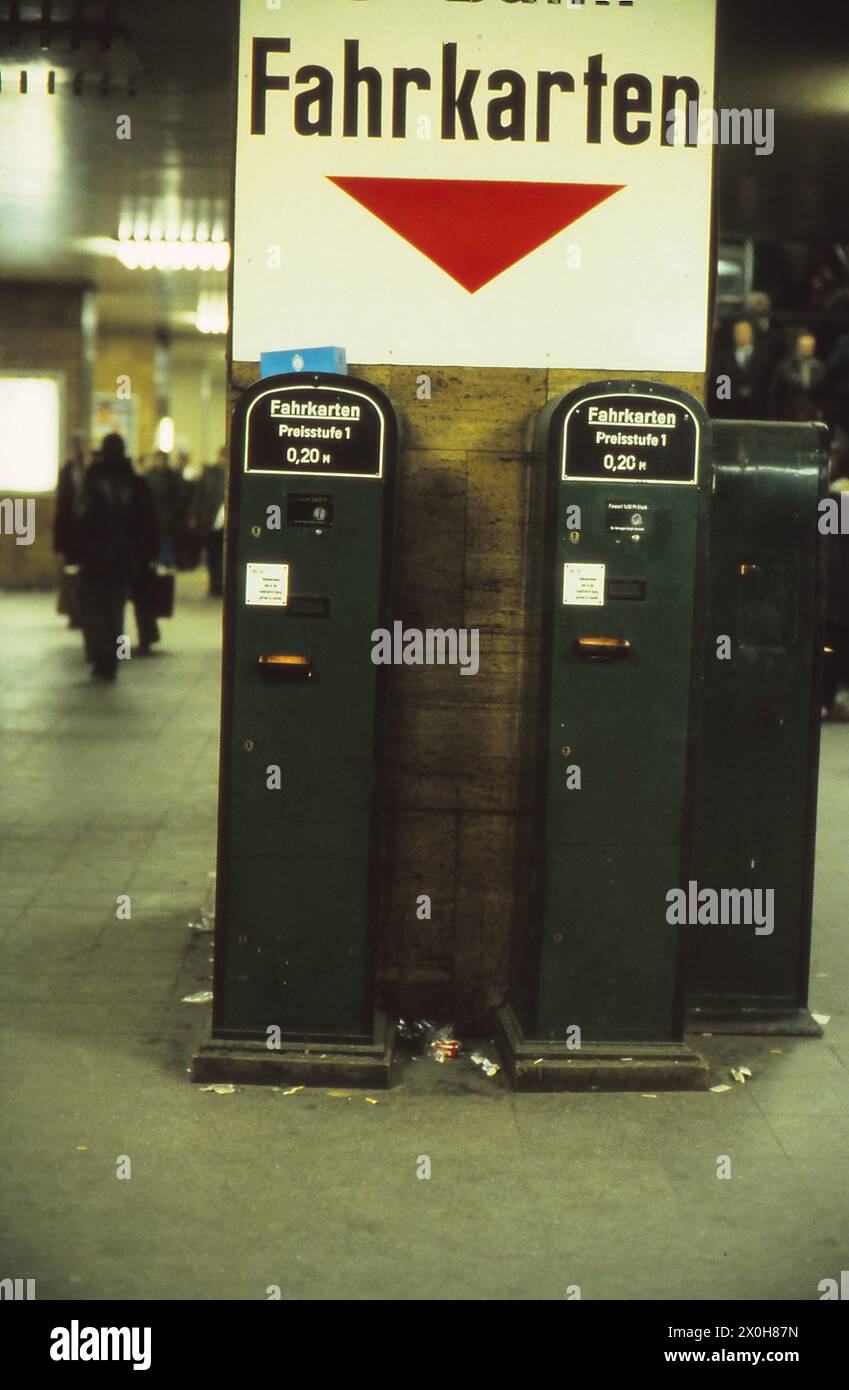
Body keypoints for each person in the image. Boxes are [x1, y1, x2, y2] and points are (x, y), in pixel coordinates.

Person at [75, 433, 159, 682]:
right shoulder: (136, 481)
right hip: (125, 557)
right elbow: (148, 522)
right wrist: (147, 554)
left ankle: (100, 651)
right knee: (115, 608)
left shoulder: (93, 478)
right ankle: (111, 658)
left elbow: (82, 519)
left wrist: (77, 549)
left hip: (95, 554)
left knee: (90, 603)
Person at [192, 448, 227, 596]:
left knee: (222, 555)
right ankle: (214, 585)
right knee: (213, 555)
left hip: (225, 521)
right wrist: (195, 515)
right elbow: (198, 496)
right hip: (211, 520)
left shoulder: (230, 473)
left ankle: (221, 586)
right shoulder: (209, 474)